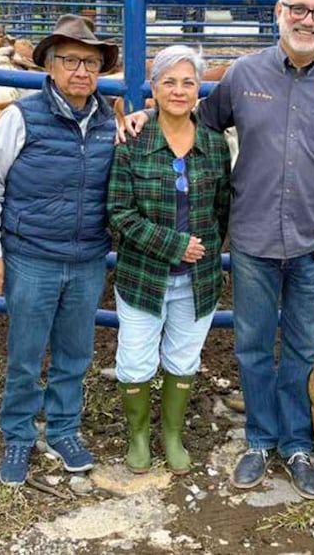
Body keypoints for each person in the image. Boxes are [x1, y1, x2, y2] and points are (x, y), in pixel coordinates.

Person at [123, 0, 314, 499]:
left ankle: (298, 443)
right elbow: (196, 125)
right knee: (254, 346)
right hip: (253, 240)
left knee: (305, 346)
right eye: (299, 9)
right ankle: (260, 438)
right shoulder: (243, 73)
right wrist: (146, 115)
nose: (308, 20)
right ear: (279, 12)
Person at [0, 14, 119, 486]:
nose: (82, 71)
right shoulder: (22, 116)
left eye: (91, 62)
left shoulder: (108, 122)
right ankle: (18, 433)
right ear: (50, 66)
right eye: (71, 60)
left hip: (87, 258)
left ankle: (63, 428)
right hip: (31, 256)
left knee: (76, 353)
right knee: (25, 351)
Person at [107, 45, 231, 475]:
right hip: (143, 275)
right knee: (136, 358)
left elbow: (221, 211)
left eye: (188, 82)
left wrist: (203, 252)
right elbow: (119, 214)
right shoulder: (132, 142)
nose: (179, 91)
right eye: (169, 82)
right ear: (154, 89)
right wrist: (173, 245)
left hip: (199, 278)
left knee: (183, 357)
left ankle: (172, 433)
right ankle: (138, 436)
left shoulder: (215, 146)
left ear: (199, 90)